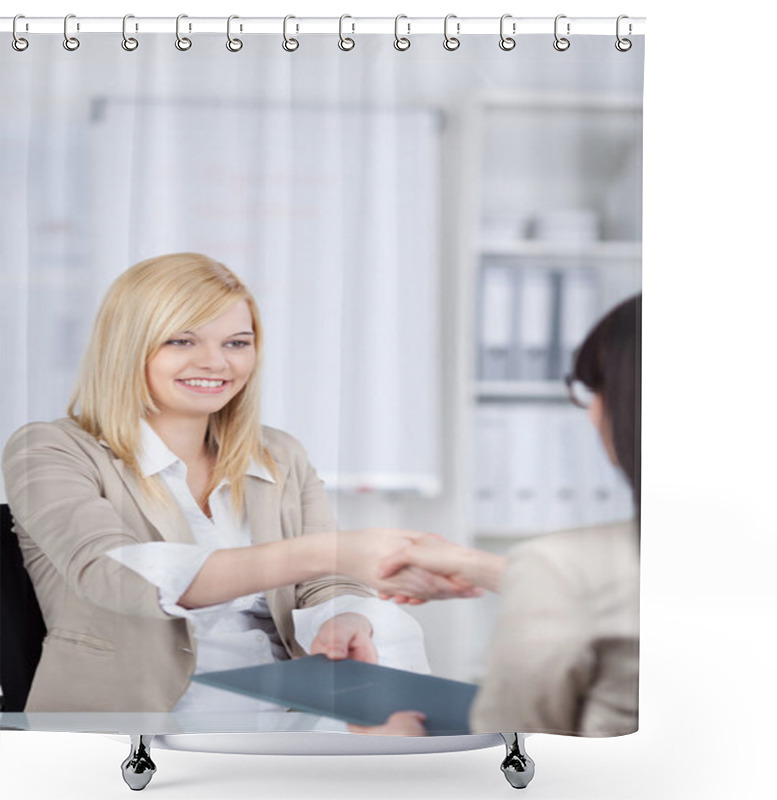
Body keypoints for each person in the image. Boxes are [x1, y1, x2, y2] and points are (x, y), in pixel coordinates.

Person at [1, 253, 472, 714]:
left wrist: (343, 619)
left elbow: (327, 581)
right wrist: (330, 550)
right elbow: (118, 576)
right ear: (128, 346)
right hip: (137, 729)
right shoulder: (48, 449)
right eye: (182, 341)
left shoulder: (280, 455)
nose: (216, 363)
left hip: (287, 719)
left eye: (236, 343)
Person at [364, 294, 642, 737]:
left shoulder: (564, 569)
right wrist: (480, 567)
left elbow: (512, 769)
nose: (591, 413)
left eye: (594, 390)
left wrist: (400, 754)